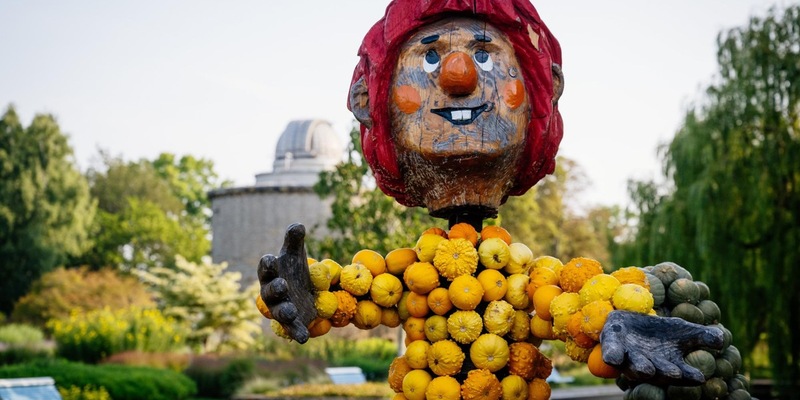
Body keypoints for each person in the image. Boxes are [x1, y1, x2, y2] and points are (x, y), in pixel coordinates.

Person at [257, 0, 727, 397]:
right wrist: (307, 296)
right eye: (430, 58)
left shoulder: (528, 283)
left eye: (484, 55)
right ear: (366, 100)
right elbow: (356, 293)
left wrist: (620, 321)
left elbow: (566, 303)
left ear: (548, 88)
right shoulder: (412, 279)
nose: (458, 77)